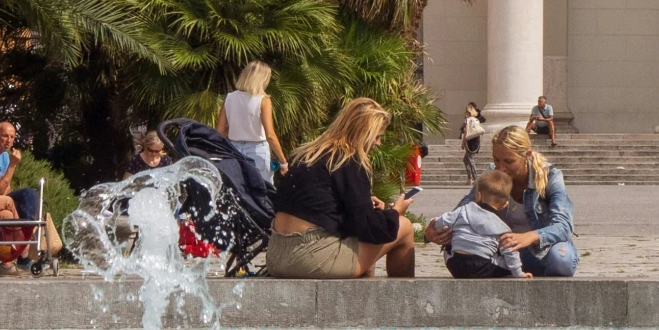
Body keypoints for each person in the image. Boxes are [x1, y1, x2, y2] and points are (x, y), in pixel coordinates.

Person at [267, 97, 416, 279]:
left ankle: (363, 300)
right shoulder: (349, 160)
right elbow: (369, 227)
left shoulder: (308, 155)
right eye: (377, 136)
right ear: (364, 133)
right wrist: (395, 212)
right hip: (310, 258)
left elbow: (313, 205)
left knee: (359, 241)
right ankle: (404, 301)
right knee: (405, 227)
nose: (378, 143)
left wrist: (364, 203)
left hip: (276, 254)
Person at [428, 124, 579, 277]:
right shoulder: (492, 174)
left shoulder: (550, 176)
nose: (501, 168)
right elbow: (464, 208)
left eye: (509, 161)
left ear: (526, 154)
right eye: (496, 160)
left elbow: (564, 225)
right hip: (502, 251)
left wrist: (529, 236)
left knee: (562, 260)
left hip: (540, 250)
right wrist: (434, 232)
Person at [432, 171, 524, 278]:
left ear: (478, 196)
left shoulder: (463, 210)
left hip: (456, 265)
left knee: (448, 247)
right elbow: (510, 251)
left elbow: (441, 221)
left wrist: (434, 225)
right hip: (483, 267)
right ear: (505, 204)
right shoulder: (502, 227)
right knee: (506, 254)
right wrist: (519, 274)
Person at [216, 61, 285, 187]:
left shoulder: (230, 97)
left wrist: (237, 131)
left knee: (238, 190)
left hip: (234, 148)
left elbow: (219, 131)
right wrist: (283, 161)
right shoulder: (263, 100)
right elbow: (270, 135)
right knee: (263, 190)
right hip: (257, 150)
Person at [0, 121, 42, 231]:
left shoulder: (5, 155)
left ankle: (30, 226)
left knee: (28, 194)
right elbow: (0, 190)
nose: (9, 141)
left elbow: (7, 187)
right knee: (16, 205)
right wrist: (13, 165)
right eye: (5, 136)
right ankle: (28, 230)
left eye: (12, 137)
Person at [459, 103, 485, 170]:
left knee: (470, 160)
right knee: (466, 159)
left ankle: (474, 177)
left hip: (470, 141)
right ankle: (470, 177)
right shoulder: (476, 120)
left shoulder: (468, 120)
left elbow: (466, 131)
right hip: (476, 141)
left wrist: (463, 142)